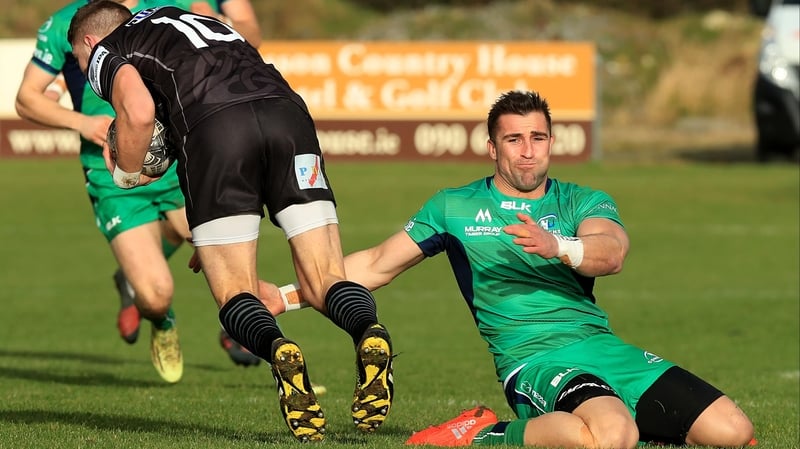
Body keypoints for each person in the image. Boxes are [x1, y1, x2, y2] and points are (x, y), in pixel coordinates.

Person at [261, 90, 756, 448]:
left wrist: (559, 246)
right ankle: (484, 434)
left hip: (603, 347)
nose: (528, 149)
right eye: (514, 139)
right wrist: (283, 297)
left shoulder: (581, 200)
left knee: (734, 432)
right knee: (614, 434)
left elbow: (612, 251)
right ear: (492, 148)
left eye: (538, 138)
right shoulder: (453, 207)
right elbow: (374, 265)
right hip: (533, 362)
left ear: (551, 143)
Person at [67, 2, 394, 442]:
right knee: (324, 279)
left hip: (217, 130)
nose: (85, 67)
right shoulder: (188, 17)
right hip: (288, 117)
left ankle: (279, 350)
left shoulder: (107, 48)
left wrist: (127, 173)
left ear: (89, 41)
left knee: (234, 292)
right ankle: (367, 331)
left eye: (80, 58)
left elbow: (140, 113)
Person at [15, 0, 264, 379]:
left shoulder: (171, 8)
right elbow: (26, 98)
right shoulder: (67, 23)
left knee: (230, 259)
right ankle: (161, 321)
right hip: (109, 173)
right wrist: (82, 122)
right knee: (155, 294)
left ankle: (255, 341)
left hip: (174, 162)